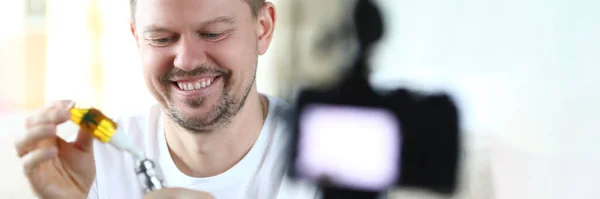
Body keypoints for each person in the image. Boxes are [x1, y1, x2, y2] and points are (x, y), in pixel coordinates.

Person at [14, 0, 320, 198]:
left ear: (263, 29)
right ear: (136, 38)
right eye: (161, 39)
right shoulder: (92, 163)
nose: (186, 61)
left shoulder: (327, 156)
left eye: (213, 33)